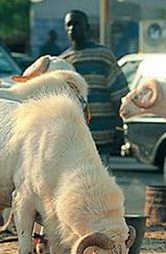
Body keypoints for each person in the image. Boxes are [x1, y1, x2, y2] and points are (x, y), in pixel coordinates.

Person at [59, 10, 129, 160]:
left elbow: (119, 95)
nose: (72, 29)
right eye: (68, 25)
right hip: (75, 138)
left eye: (76, 24)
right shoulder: (63, 62)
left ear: (87, 27)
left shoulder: (103, 56)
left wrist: (120, 128)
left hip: (102, 137)